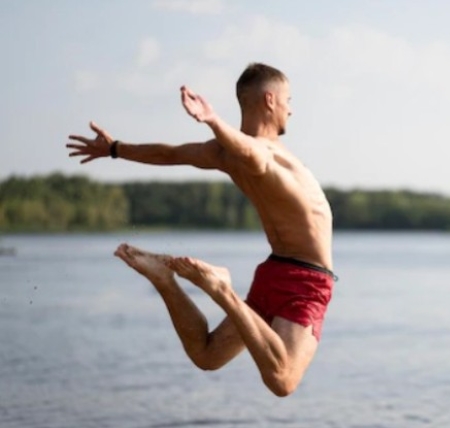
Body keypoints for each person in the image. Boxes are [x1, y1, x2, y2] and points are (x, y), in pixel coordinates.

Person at [66, 63, 335, 397]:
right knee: (282, 380)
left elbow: (170, 154)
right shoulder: (265, 153)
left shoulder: (223, 153)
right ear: (270, 100)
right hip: (306, 280)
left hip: (275, 270)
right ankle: (221, 289)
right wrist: (212, 119)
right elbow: (253, 153)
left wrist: (116, 149)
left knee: (207, 355)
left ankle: (164, 280)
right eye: (288, 100)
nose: (291, 109)